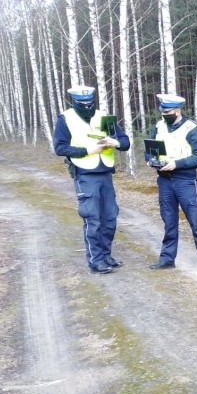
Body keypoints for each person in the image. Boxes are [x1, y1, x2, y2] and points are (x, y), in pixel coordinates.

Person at [54, 85, 130, 274]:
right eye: (83, 104)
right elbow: (60, 148)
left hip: (105, 174)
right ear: (75, 101)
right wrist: (88, 150)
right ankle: (96, 260)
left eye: (90, 103)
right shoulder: (66, 118)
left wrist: (116, 142)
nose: (87, 107)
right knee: (92, 218)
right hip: (85, 175)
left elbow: (125, 141)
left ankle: (106, 256)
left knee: (110, 218)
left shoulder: (102, 116)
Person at [147, 93, 197, 275]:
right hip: (164, 181)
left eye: (168, 111)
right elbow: (151, 149)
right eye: (162, 111)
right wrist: (151, 160)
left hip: (185, 181)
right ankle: (167, 259)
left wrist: (176, 163)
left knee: (196, 221)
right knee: (169, 222)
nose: (164, 114)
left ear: (178, 111)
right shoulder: (159, 126)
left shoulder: (191, 128)